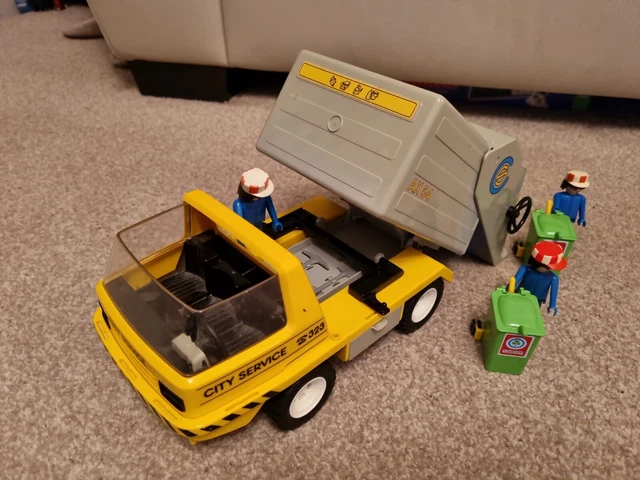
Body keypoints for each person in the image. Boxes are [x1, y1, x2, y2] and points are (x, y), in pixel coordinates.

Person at [513, 241, 567, 315]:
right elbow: (515, 280)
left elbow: (554, 291)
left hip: (537, 299)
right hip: (521, 293)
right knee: (516, 308)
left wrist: (552, 305)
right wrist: (510, 287)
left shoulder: (553, 277)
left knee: (532, 313)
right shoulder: (525, 268)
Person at [232, 168, 284, 232]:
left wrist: (275, 221)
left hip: (259, 223)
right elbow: (240, 224)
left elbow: (271, 208)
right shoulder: (238, 204)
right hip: (247, 228)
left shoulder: (265, 198)